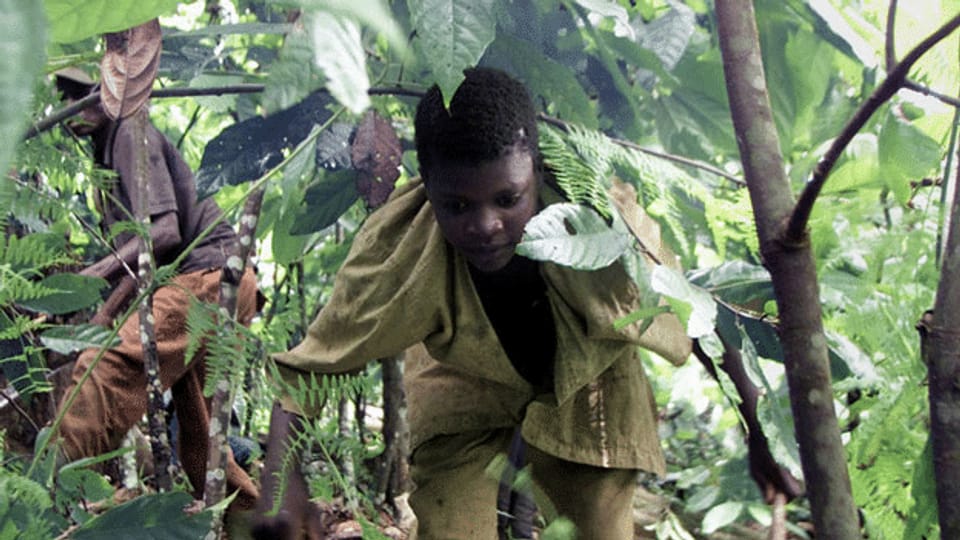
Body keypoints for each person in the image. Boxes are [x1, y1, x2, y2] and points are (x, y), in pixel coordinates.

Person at [253, 67, 798, 539]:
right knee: (447, 528)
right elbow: (312, 366)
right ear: (427, 189)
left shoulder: (603, 223)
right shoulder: (396, 247)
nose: (486, 225)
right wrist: (279, 481)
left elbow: (695, 313)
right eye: (458, 204)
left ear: (535, 173)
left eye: (508, 199)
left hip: (590, 380)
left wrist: (760, 431)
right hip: (457, 377)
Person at [51, 69, 261, 509]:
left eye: (83, 95)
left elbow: (162, 234)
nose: (73, 108)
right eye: (64, 97)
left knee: (99, 370)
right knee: (202, 448)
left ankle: (52, 501)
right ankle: (272, 524)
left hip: (207, 279)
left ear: (109, 91)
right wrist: (106, 312)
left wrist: (96, 273)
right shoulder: (105, 157)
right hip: (224, 284)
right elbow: (144, 254)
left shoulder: (129, 129)